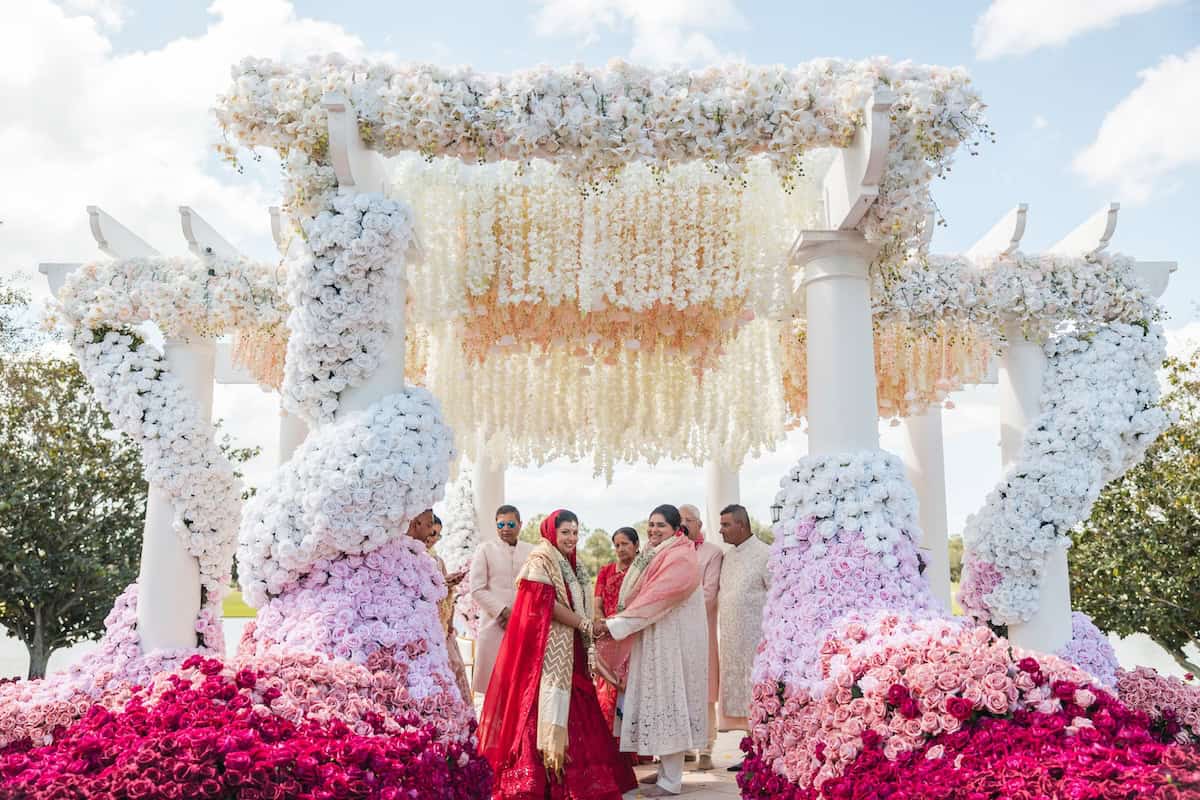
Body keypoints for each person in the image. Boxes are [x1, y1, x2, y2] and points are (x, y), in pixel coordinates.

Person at [478, 510, 637, 800]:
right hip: (547, 652)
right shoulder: (541, 559)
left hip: (570, 648)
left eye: (575, 532)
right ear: (552, 531)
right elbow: (546, 605)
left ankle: (577, 782)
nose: (572, 538)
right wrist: (585, 624)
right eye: (566, 532)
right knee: (543, 709)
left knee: (579, 706)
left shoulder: (568, 563)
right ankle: (544, 782)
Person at [596, 505, 707, 797]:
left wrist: (617, 624)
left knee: (669, 701)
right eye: (651, 525)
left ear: (676, 530)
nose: (654, 531)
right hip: (654, 635)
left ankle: (671, 781)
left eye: (661, 526)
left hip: (673, 641)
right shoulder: (655, 552)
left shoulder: (681, 556)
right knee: (656, 702)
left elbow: (659, 598)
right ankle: (663, 771)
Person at [716, 504, 771, 772]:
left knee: (759, 697)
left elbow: (776, 597)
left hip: (756, 640)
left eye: (726, 525)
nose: (721, 530)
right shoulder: (727, 557)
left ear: (742, 524)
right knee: (741, 700)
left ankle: (765, 755)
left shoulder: (766, 554)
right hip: (731, 640)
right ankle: (752, 752)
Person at [469, 504, 534, 696]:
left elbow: (535, 587)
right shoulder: (485, 549)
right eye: (501, 524)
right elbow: (477, 588)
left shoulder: (532, 551)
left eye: (511, 523)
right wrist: (503, 612)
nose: (506, 528)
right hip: (494, 624)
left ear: (520, 525)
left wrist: (520, 614)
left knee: (521, 684)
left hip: (524, 623)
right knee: (494, 685)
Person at [679, 503, 722, 771]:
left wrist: (679, 611)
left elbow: (709, 593)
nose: (683, 524)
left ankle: (706, 747)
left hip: (702, 629)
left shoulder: (712, 553)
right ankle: (683, 746)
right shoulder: (671, 552)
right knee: (679, 686)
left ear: (698, 525)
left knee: (705, 687)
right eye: (679, 520)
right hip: (674, 632)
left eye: (688, 520)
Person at [591, 527, 639, 751]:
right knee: (606, 691)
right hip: (610, 637)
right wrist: (603, 624)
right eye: (617, 545)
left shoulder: (642, 571)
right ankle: (611, 749)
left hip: (634, 635)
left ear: (636, 545)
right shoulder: (606, 571)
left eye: (625, 544)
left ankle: (635, 751)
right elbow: (597, 603)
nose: (620, 549)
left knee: (631, 688)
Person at [422, 512, 472, 703]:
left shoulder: (438, 561)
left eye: (437, 535)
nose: (432, 538)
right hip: (424, 624)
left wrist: (449, 584)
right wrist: (443, 583)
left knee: (454, 666)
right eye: (431, 532)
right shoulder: (413, 557)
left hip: (441, 625)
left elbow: (446, 597)